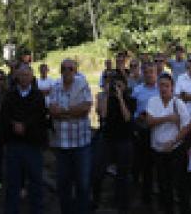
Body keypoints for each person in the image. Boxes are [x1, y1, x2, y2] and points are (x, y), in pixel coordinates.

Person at [1, 64, 49, 214]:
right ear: (17, 77)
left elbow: (40, 116)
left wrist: (25, 125)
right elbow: (4, 115)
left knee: (36, 181)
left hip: (32, 144)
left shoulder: (38, 96)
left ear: (32, 77)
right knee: (12, 182)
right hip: (14, 143)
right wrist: (13, 124)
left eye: (27, 75)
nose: (24, 78)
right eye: (21, 75)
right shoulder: (9, 95)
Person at [49, 59, 93, 214]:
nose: (67, 71)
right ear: (60, 70)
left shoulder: (82, 84)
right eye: (64, 68)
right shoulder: (55, 86)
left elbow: (85, 108)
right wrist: (73, 112)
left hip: (81, 143)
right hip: (62, 144)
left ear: (76, 71)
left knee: (83, 183)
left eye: (70, 68)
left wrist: (63, 111)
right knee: (63, 184)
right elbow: (52, 111)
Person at [146, 73, 191, 214]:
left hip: (175, 149)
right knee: (163, 183)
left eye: (166, 85)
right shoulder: (153, 101)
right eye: (161, 85)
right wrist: (168, 118)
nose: (163, 88)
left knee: (180, 184)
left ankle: (184, 210)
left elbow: (187, 126)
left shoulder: (178, 103)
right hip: (158, 150)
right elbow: (149, 121)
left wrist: (173, 141)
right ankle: (167, 209)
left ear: (172, 87)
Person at [91, 69, 136, 213]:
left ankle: (123, 205)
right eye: (114, 85)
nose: (117, 88)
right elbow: (103, 115)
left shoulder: (130, 99)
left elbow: (127, 117)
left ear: (125, 85)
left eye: (119, 85)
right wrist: (106, 95)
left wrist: (120, 98)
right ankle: (95, 200)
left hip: (124, 140)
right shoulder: (106, 98)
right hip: (108, 138)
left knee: (123, 174)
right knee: (98, 171)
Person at [131, 62, 160, 206]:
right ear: (143, 73)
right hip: (142, 131)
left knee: (157, 166)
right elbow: (132, 111)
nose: (149, 75)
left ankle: (157, 197)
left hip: (158, 130)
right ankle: (141, 197)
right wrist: (138, 117)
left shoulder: (161, 89)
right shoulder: (137, 90)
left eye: (152, 72)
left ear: (156, 73)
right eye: (146, 72)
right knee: (140, 164)